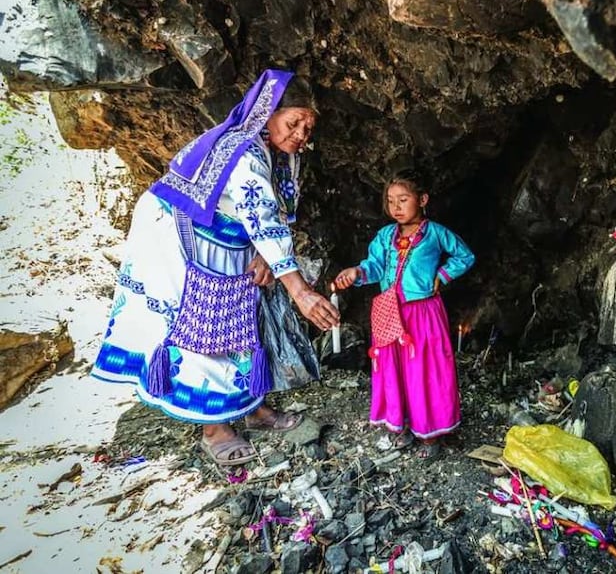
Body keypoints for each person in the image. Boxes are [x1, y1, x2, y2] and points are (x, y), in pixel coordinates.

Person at [92, 69, 340, 466]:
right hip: (176, 233)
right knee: (204, 321)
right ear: (268, 113)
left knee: (244, 313)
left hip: (226, 235)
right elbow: (261, 216)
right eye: (294, 122)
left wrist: (265, 257)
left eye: (308, 128)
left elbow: (277, 212)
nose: (300, 134)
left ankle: (249, 405)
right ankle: (214, 428)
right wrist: (300, 291)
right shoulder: (244, 152)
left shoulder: (282, 155)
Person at [334, 168, 474, 459]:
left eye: (403, 199)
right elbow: (374, 266)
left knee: (425, 369)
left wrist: (443, 275)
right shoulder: (385, 235)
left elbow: (465, 256)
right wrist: (356, 272)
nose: (395, 207)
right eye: (390, 200)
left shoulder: (436, 234)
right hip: (389, 310)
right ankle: (403, 423)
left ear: (422, 200)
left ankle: (430, 433)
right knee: (394, 368)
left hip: (423, 313)